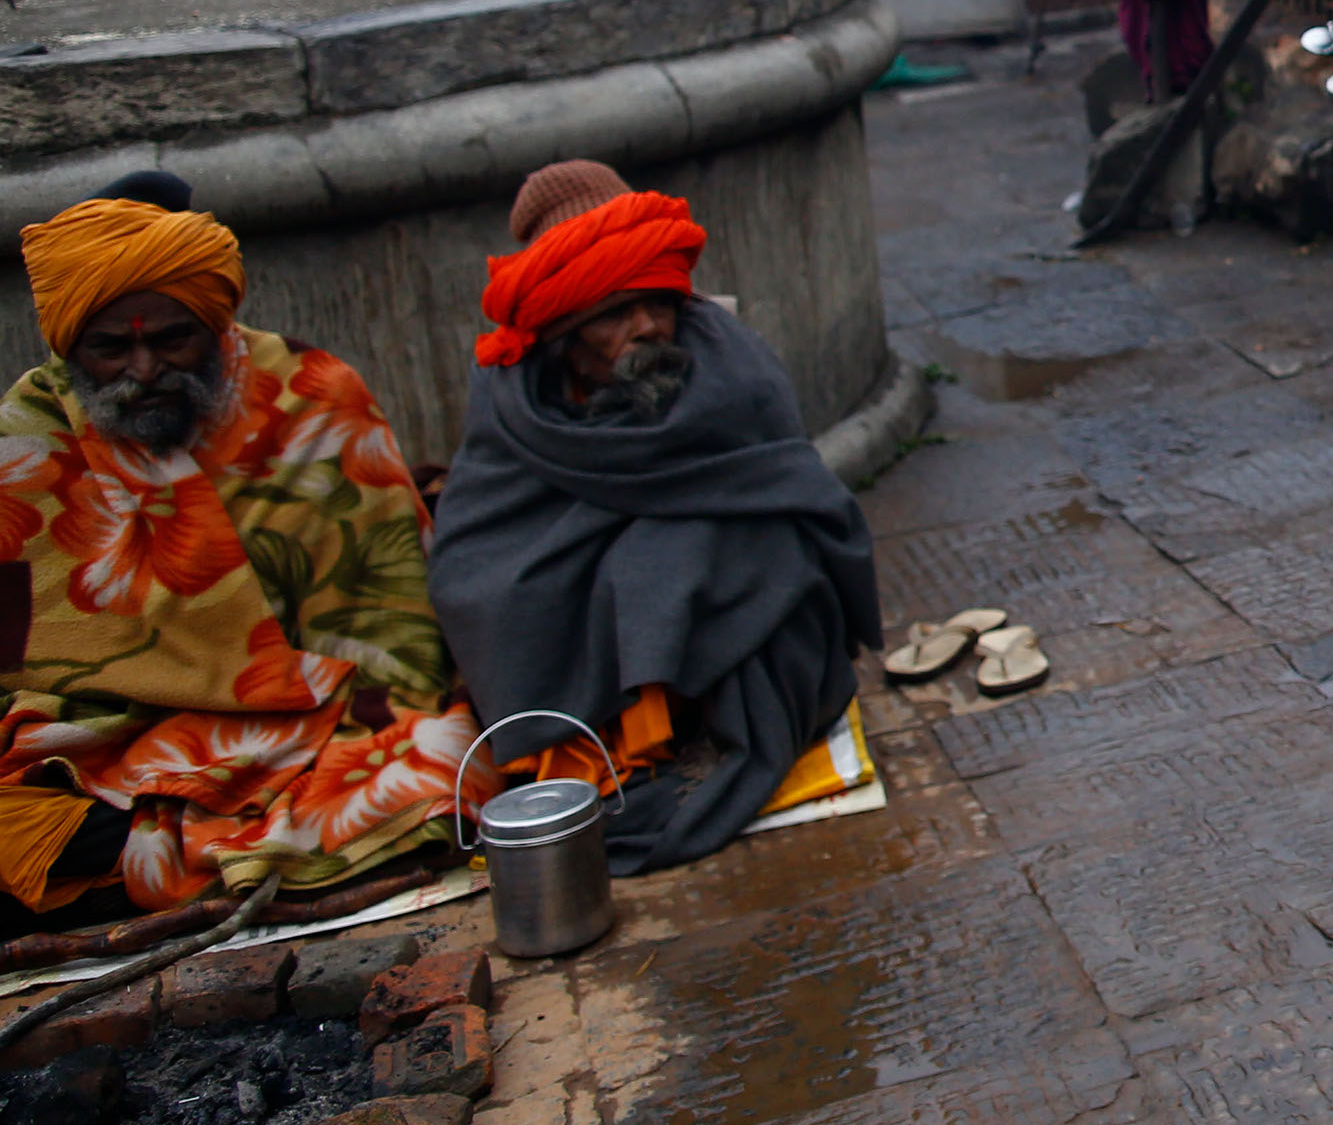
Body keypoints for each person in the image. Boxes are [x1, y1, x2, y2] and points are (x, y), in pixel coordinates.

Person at [0, 174, 471, 918]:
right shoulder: (30, 439)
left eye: (171, 339)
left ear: (215, 325)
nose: (144, 372)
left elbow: (391, 648)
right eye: (109, 349)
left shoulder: (312, 399)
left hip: (307, 728)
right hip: (104, 757)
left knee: (447, 761)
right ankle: (179, 855)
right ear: (69, 346)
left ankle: (161, 862)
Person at [425, 162, 881, 873]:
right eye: (613, 313)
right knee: (509, 593)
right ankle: (622, 731)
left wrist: (662, 561)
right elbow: (479, 549)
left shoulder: (730, 367)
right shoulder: (515, 399)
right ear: (563, 335)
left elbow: (789, 488)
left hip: (714, 588)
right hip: (583, 606)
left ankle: (718, 715)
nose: (647, 328)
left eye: (658, 303)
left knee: (733, 554)